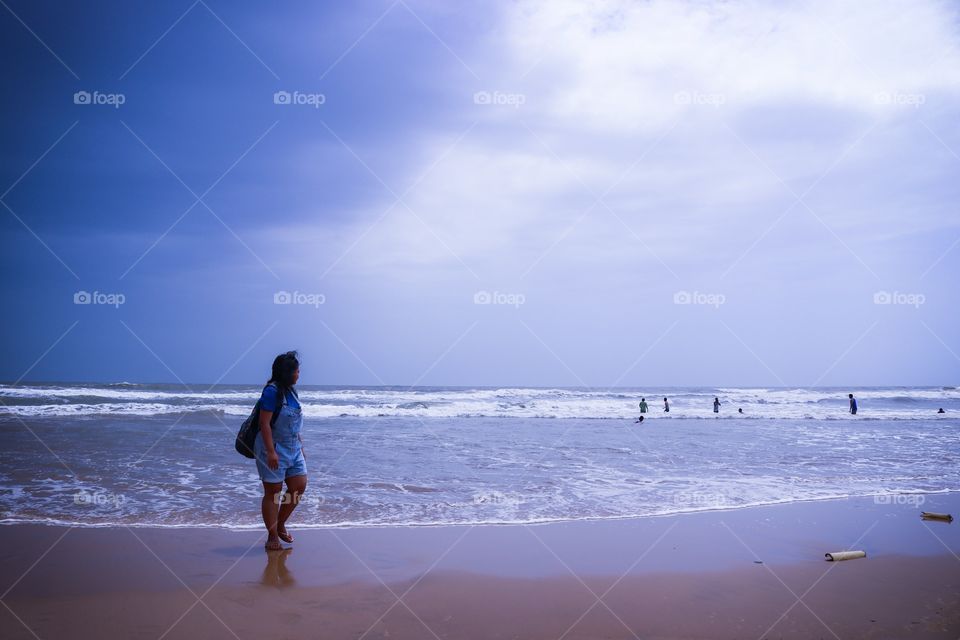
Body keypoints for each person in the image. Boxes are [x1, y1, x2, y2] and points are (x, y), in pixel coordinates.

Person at [256, 351, 307, 551]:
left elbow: (294, 423)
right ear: (288, 373)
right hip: (273, 446)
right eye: (296, 370)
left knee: (299, 486)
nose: (298, 374)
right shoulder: (271, 392)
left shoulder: (292, 391)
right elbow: (264, 423)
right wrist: (270, 452)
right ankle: (272, 535)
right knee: (273, 492)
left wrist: (301, 446)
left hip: (294, 448)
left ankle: (281, 523)